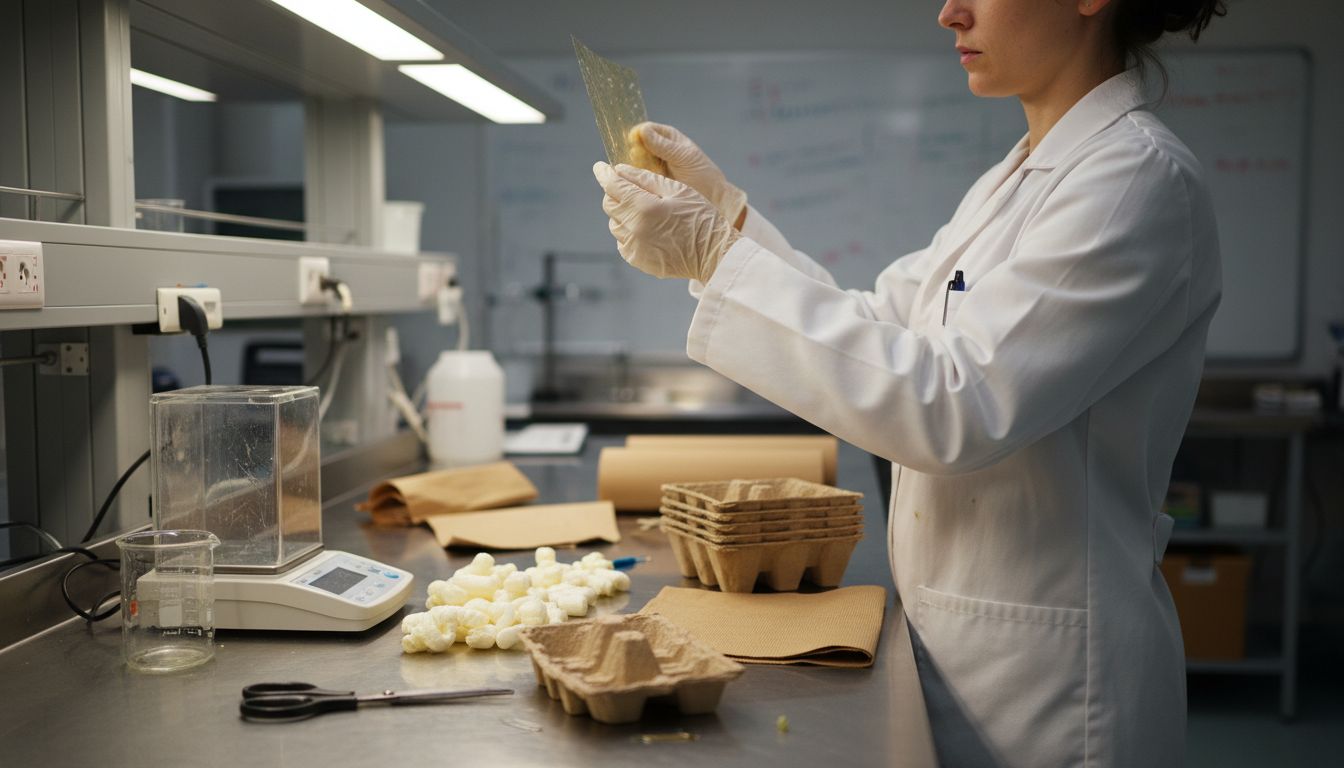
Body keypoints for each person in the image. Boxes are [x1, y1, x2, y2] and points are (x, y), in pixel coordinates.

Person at [593, 0, 1227, 765]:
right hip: (969, 647)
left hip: (1054, 684)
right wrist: (725, 225)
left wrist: (714, 257)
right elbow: (882, 326)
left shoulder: (1133, 179)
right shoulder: (1016, 178)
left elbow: (954, 405)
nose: (948, 12)